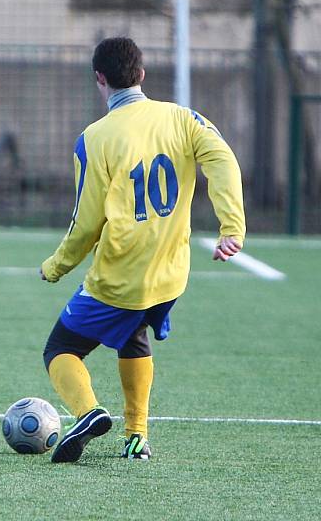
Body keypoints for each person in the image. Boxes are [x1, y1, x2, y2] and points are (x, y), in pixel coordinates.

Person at [39, 37, 246, 463]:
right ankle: (137, 437)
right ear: (142, 74)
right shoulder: (184, 117)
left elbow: (87, 221)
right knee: (134, 334)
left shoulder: (94, 138)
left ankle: (87, 412)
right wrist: (232, 226)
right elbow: (223, 160)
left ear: (99, 77)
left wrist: (56, 266)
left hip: (120, 275)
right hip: (170, 274)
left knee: (60, 349)